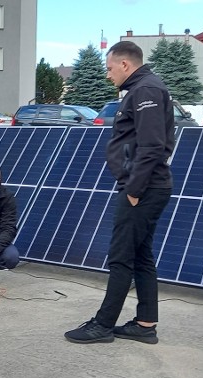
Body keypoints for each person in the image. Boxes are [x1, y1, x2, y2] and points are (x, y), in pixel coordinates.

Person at [64, 41, 174, 345]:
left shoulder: (146, 91)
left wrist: (134, 189)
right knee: (140, 255)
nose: (107, 74)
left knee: (121, 257)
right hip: (147, 186)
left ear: (125, 64)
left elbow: (152, 146)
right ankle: (145, 324)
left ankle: (102, 325)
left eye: (110, 68)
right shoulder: (143, 89)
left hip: (143, 188)